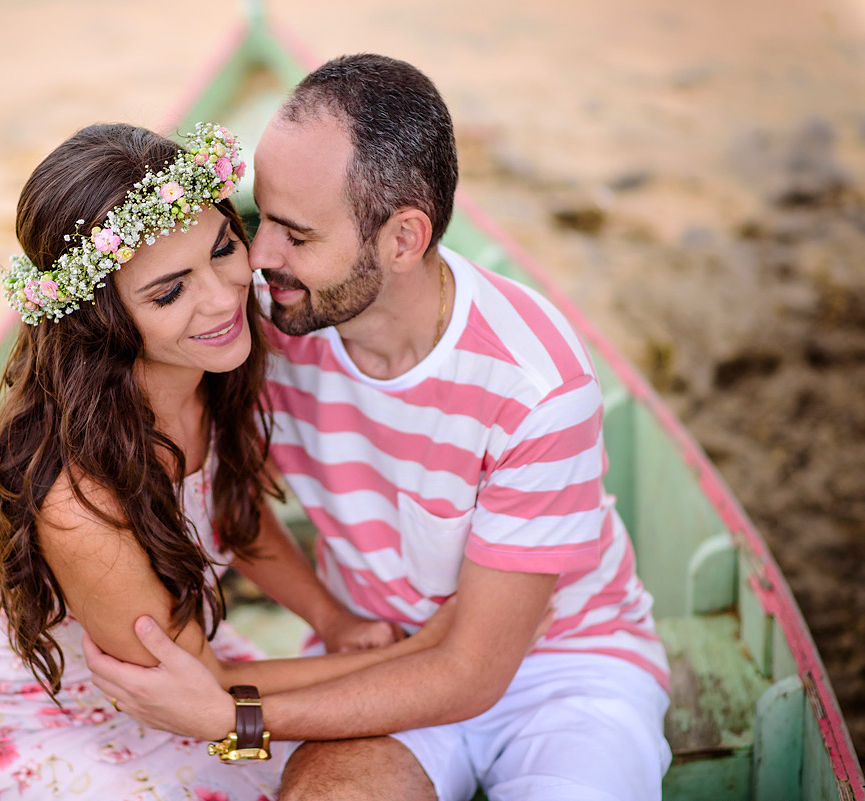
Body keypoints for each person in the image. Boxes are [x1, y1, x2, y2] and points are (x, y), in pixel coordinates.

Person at [76, 55, 674, 801]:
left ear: (402, 238)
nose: (257, 260)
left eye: (295, 234)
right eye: (257, 220)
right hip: (375, 655)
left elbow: (470, 672)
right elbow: (97, 379)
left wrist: (235, 712)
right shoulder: (260, 324)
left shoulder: (535, 386)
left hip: (566, 666)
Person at [0, 121, 452, 801]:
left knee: (354, 757)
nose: (225, 297)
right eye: (169, 291)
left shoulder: (212, 359)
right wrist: (415, 657)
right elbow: (197, 687)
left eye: (224, 249)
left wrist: (335, 621)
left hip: (196, 677)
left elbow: (234, 512)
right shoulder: (81, 501)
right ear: (101, 320)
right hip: (70, 714)